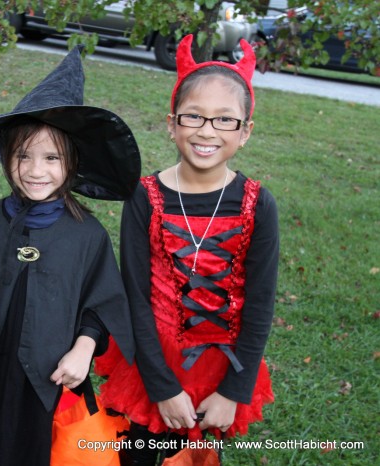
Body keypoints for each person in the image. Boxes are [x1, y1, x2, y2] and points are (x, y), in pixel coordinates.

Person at [0, 47, 141, 466]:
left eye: (51, 158)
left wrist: (83, 349)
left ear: (72, 162)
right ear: (6, 158)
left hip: (42, 382)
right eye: (23, 156)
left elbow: (101, 303)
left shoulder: (86, 236)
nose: (36, 170)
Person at [95, 34, 278, 465]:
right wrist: (161, 387)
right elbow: (135, 297)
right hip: (151, 362)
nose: (207, 131)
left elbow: (261, 306)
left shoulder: (258, 204)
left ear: (245, 131)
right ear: (172, 123)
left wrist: (234, 390)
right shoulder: (144, 198)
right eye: (193, 116)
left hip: (223, 369)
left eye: (224, 120)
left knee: (196, 458)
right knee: (137, 455)